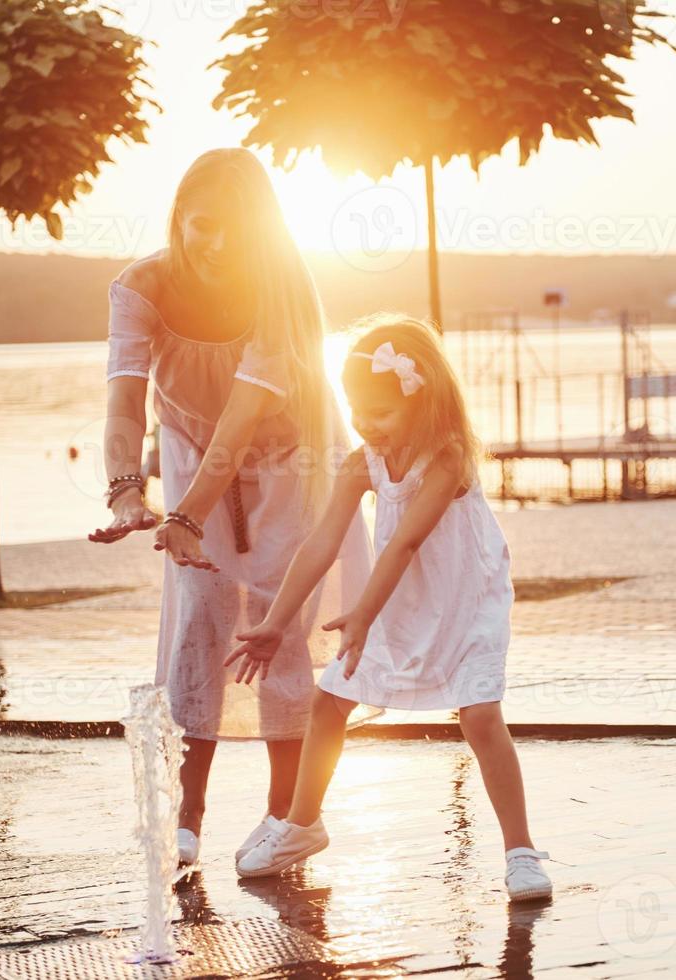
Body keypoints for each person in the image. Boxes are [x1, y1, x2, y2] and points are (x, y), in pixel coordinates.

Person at [89, 148, 370, 868]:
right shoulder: (140, 285)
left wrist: (184, 516)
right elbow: (124, 392)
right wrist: (126, 488)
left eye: (235, 231)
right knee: (200, 622)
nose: (215, 244)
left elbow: (243, 422)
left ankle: (285, 820)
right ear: (178, 217)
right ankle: (188, 819)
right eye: (201, 225)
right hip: (188, 448)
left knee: (277, 627)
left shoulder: (280, 293)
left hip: (288, 457)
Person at [224, 315, 552, 901]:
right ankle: (302, 825)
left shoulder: (447, 457)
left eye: (380, 412)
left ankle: (521, 851)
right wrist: (275, 622)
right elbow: (320, 542)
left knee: (478, 715)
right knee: (328, 702)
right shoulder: (363, 461)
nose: (365, 425)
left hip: (466, 596)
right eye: (355, 411)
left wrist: (363, 615)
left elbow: (405, 543)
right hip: (396, 598)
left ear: (422, 403)